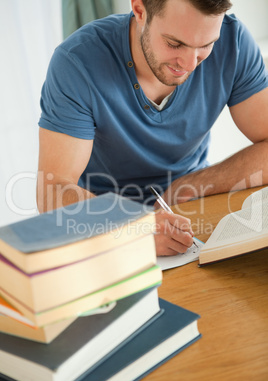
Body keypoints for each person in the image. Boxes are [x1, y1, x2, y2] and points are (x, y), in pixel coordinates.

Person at [37, 0, 268, 256]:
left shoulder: (233, 41)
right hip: (103, 225)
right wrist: (135, 227)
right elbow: (53, 189)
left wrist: (194, 184)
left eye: (205, 45)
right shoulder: (77, 62)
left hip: (192, 210)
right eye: (174, 43)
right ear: (139, 10)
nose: (190, 64)